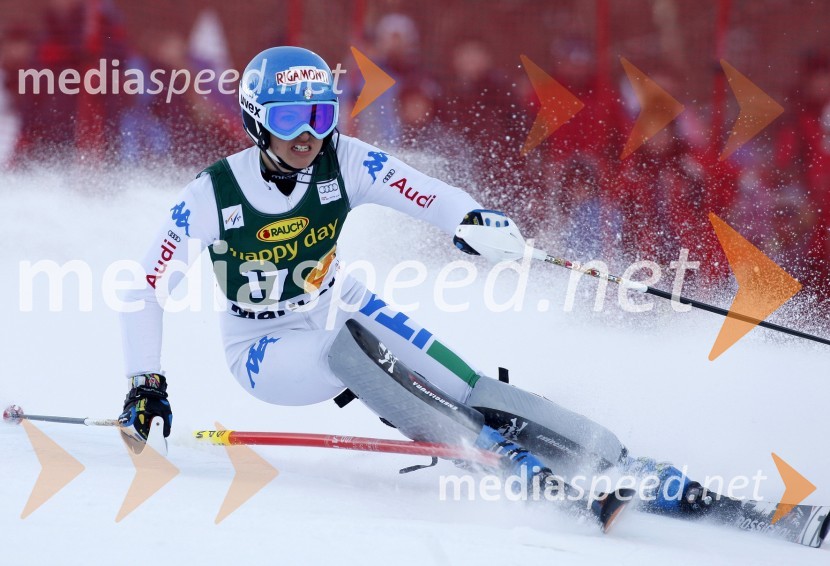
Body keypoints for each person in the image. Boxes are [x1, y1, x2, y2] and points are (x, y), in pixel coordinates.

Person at [117, 46, 712, 521]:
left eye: (320, 116)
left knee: (466, 384)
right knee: (345, 346)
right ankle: (495, 458)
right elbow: (144, 287)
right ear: (255, 120)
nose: (307, 135)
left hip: (336, 302)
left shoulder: (343, 160)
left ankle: (620, 460)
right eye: (288, 119)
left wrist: (471, 220)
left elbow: (423, 192)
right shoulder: (212, 194)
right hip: (261, 346)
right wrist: (145, 383)